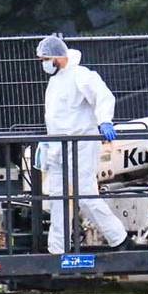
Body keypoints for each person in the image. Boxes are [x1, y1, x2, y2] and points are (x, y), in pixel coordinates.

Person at [36, 34, 129, 254]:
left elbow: (103, 96)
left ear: (58, 57)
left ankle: (120, 239)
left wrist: (105, 120)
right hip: (59, 147)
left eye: (46, 59)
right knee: (58, 199)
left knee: (86, 195)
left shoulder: (81, 75)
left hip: (80, 146)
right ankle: (58, 250)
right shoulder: (55, 81)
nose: (44, 64)